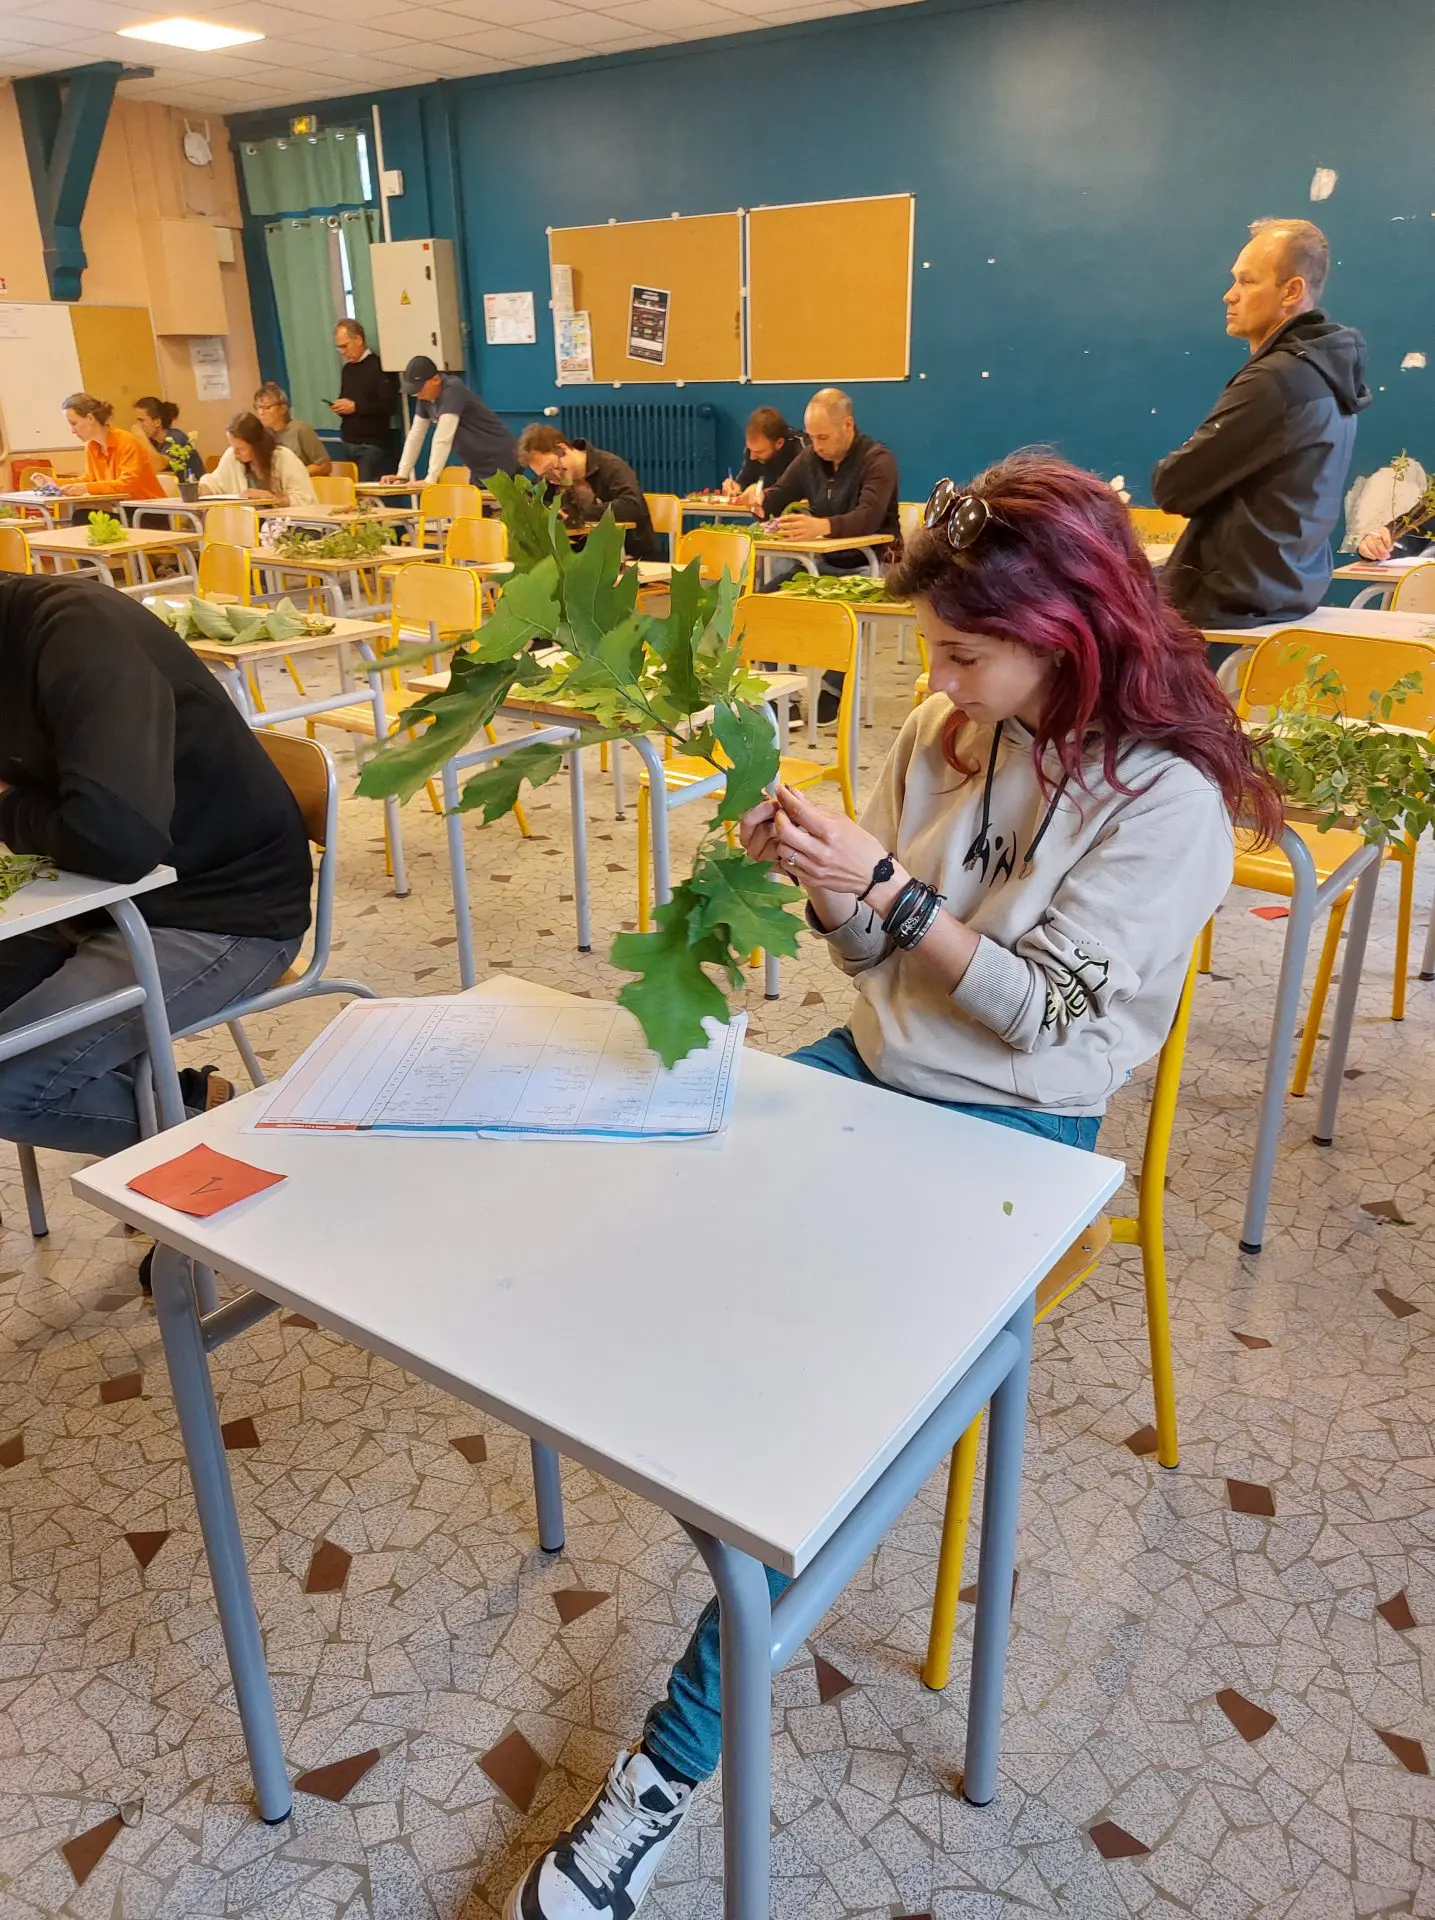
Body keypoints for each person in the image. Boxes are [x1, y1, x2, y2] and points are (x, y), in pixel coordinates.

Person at [507, 451, 1283, 1920]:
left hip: (1012, 1135)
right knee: (630, 1217)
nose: (936, 677)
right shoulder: (949, 728)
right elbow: (876, 961)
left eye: (965, 650)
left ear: (1069, 631)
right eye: (935, 645)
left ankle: (667, 1767)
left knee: (816, 1423)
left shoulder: (1163, 800)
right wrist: (827, 881)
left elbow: (1041, 1019)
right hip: (871, 1075)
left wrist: (885, 888)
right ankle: (727, 1457)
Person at [0, 573, 313, 1158]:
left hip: (220, 913)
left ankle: (235, 1163)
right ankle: (183, 1099)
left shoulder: (78, 634)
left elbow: (118, 841)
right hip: (95, 901)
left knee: (6, 1086)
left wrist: (8, 806)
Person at [1151, 218, 1370, 650]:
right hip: (1291, 589)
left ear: (1291, 291)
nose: (1229, 294)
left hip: (1229, 598)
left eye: (1247, 281)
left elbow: (1172, 487)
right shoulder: (1327, 372)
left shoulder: (1275, 381)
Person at [752, 387, 900, 716]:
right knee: (763, 604)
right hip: (824, 563)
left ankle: (833, 689)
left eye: (823, 437)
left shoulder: (879, 460)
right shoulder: (810, 458)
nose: (816, 446)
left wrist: (822, 526)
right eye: (811, 437)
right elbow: (778, 496)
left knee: (844, 612)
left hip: (874, 563)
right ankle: (784, 695)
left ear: (847, 425)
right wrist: (759, 500)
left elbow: (868, 517)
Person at [515, 423, 661, 560]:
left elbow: (632, 506)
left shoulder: (611, 466)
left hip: (632, 558)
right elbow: (530, 504)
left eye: (550, 469)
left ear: (562, 449)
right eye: (544, 475)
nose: (551, 479)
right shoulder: (551, 480)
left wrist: (578, 514)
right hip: (581, 562)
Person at [392, 355, 519, 486]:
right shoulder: (425, 398)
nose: (418, 394)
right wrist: (402, 475)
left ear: (436, 380)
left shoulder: (453, 389)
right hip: (479, 465)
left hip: (500, 457)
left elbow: (443, 438)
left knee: (496, 499)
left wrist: (431, 479)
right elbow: (416, 435)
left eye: (420, 389)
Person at [60, 393, 164, 501]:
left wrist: (86, 488)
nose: (72, 431)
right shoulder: (91, 445)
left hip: (146, 506)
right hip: (118, 505)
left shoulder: (126, 441)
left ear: (90, 418)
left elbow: (126, 485)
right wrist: (54, 482)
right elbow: (90, 479)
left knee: (83, 510)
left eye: (74, 423)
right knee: (81, 510)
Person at [199, 413, 317, 507]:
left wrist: (273, 498)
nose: (235, 453)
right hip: (247, 523)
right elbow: (215, 482)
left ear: (256, 445)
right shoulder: (232, 456)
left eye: (241, 448)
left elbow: (305, 499)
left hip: (287, 523)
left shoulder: (283, 457)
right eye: (232, 446)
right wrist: (205, 488)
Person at [330, 320, 398, 481]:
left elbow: (389, 405)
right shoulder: (347, 370)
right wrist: (340, 407)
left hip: (371, 445)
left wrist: (356, 407)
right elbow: (346, 398)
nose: (342, 352)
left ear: (358, 340)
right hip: (348, 441)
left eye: (345, 346)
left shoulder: (379, 366)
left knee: (365, 491)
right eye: (339, 348)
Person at [723, 405, 804, 495]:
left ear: (779, 443)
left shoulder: (801, 449)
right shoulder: (753, 450)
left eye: (759, 452)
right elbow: (745, 480)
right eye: (750, 449)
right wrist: (737, 487)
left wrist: (766, 493)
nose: (752, 457)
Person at [253, 383, 331, 476]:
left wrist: (296, 474)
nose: (261, 412)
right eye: (258, 407)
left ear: (283, 409)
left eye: (267, 407)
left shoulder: (301, 430)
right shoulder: (264, 434)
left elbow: (325, 466)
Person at [133, 397, 204, 485]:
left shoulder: (176, 438)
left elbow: (158, 466)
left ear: (157, 422)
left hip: (192, 490)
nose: (137, 425)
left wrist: (141, 436)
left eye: (141, 420)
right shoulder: (151, 442)